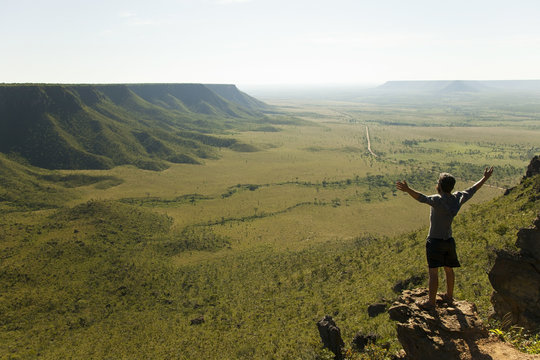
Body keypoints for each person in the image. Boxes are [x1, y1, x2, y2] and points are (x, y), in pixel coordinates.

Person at [396, 166, 494, 309]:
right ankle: (449, 296)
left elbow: (422, 198)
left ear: (439, 186)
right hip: (449, 240)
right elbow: (473, 189)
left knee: (433, 272)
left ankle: (431, 302)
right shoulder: (457, 198)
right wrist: (485, 178)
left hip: (435, 241)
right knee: (449, 269)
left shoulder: (437, 200)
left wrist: (408, 189)